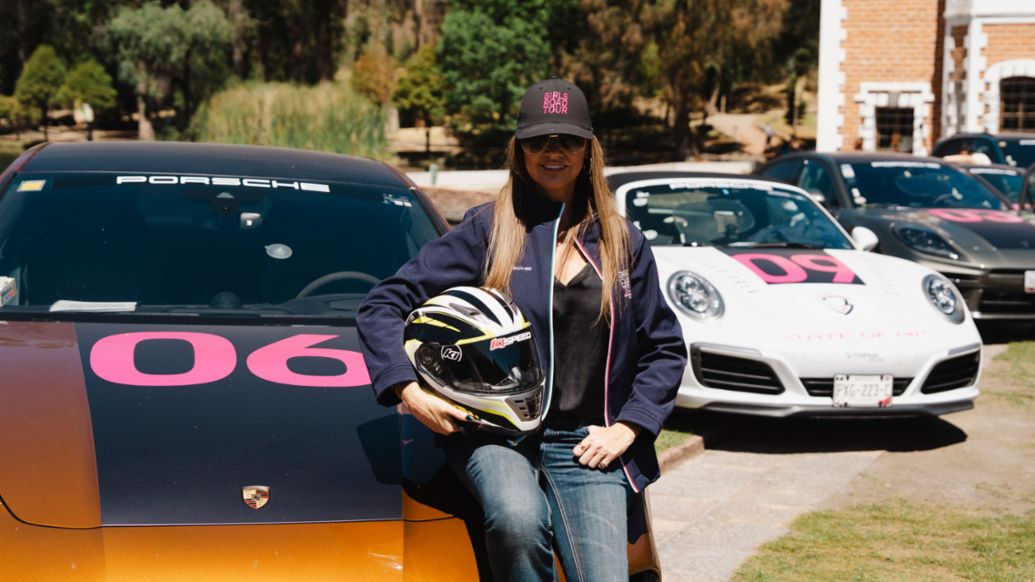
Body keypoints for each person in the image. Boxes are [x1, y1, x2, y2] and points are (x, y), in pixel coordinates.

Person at [357, 77, 687, 582]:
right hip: (496, 435)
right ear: (519, 150)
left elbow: (663, 348)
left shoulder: (622, 242)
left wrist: (629, 427)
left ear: (588, 149)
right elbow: (384, 303)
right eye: (539, 141)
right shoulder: (489, 228)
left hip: (586, 443)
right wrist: (408, 390)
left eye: (568, 140)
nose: (553, 152)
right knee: (517, 520)